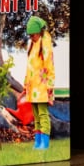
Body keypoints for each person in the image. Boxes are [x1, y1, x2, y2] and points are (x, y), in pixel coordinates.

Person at [23, 16, 55, 150]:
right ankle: (38, 142)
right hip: (33, 86)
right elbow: (29, 67)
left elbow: (49, 66)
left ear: (39, 32)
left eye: (33, 35)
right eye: (29, 35)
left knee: (43, 114)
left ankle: (45, 143)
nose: (31, 37)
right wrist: (26, 83)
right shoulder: (33, 45)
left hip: (42, 86)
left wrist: (49, 85)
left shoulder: (45, 42)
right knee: (36, 115)